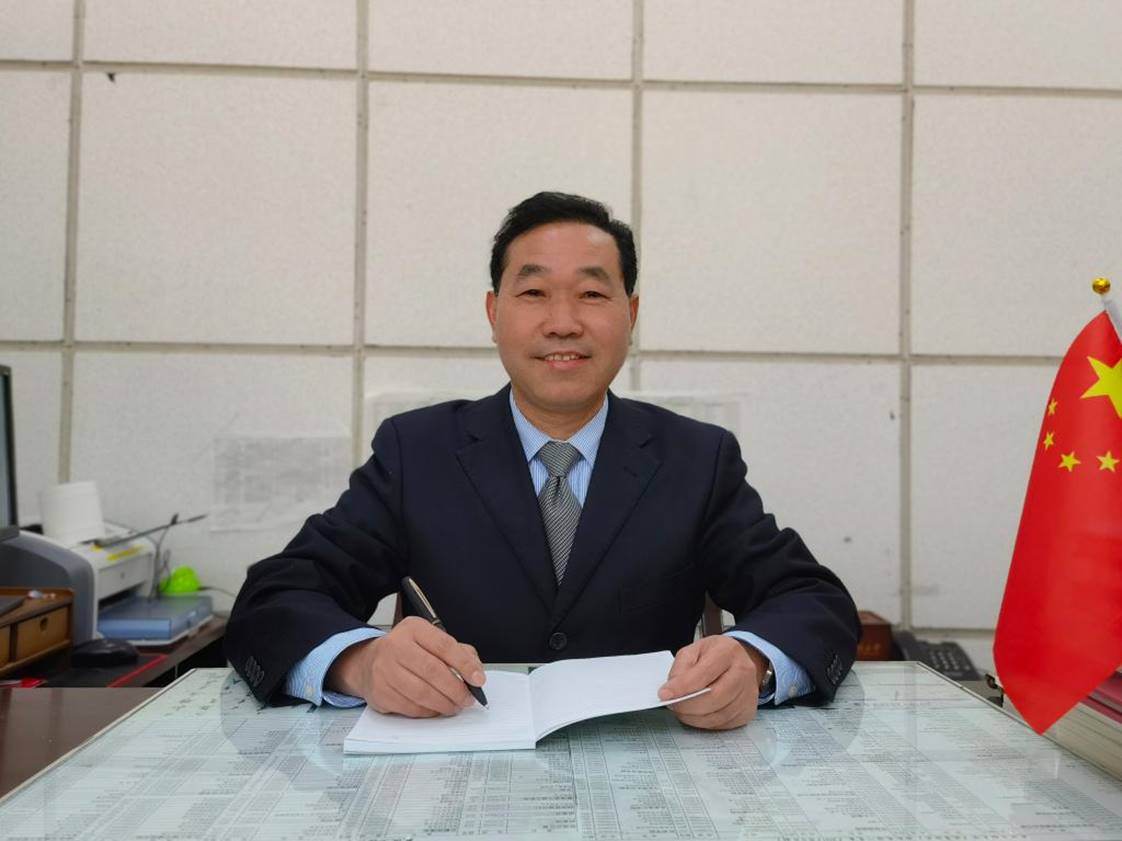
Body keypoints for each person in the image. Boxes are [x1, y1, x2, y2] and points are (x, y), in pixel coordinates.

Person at [226, 192, 860, 731]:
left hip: (645, 771)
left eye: (591, 293)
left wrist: (753, 662)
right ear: (493, 313)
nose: (562, 322)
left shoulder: (696, 459)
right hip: (456, 769)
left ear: (631, 314)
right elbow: (276, 598)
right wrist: (360, 664)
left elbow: (811, 599)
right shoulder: (417, 453)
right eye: (533, 292)